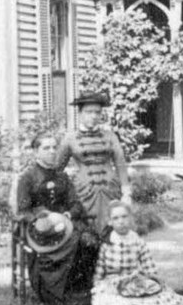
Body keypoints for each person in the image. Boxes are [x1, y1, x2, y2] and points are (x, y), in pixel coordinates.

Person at [14, 132, 99, 305]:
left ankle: (81, 290)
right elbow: (23, 211)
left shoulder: (62, 177)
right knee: (71, 241)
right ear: (35, 152)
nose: (52, 152)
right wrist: (42, 219)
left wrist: (67, 214)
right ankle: (56, 294)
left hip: (67, 225)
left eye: (54, 147)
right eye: (46, 148)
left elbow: (76, 204)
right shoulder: (27, 178)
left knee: (88, 240)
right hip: (41, 230)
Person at [89, 201, 183, 305]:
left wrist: (154, 280)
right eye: (116, 218)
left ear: (130, 218)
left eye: (124, 217)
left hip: (134, 281)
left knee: (157, 295)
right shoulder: (107, 244)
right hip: (114, 283)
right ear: (110, 222)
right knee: (111, 299)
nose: (121, 221)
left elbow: (148, 265)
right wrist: (98, 285)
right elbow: (100, 269)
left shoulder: (137, 241)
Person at [55, 91, 130, 232]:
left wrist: (126, 192)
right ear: (80, 113)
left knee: (113, 228)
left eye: (97, 112)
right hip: (84, 191)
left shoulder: (110, 136)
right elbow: (57, 168)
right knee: (86, 232)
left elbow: (120, 163)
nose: (94, 116)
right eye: (89, 112)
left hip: (110, 189)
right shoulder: (70, 138)